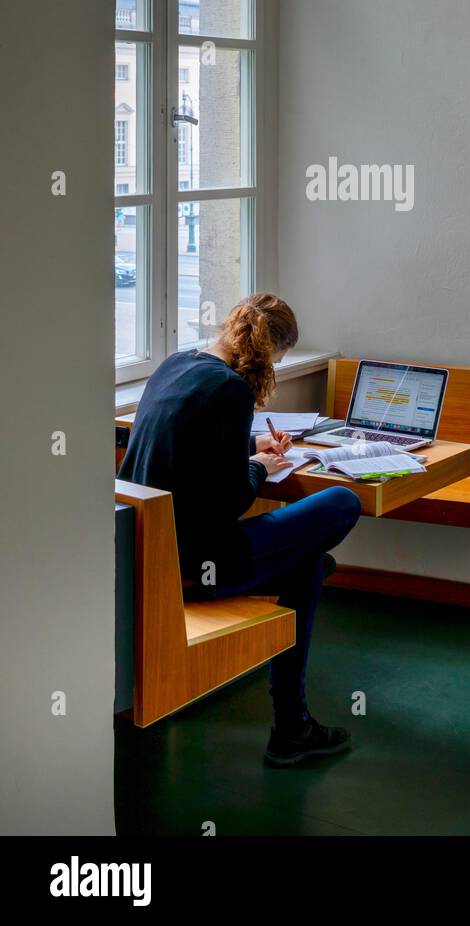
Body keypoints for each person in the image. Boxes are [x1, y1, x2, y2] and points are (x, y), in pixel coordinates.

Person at [117, 292, 362, 767]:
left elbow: (191, 443)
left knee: (305, 565)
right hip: (200, 565)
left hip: (150, 553)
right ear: (273, 353)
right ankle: (292, 729)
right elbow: (232, 500)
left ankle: (294, 728)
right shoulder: (231, 390)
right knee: (341, 502)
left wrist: (252, 445)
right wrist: (259, 466)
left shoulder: (176, 363)